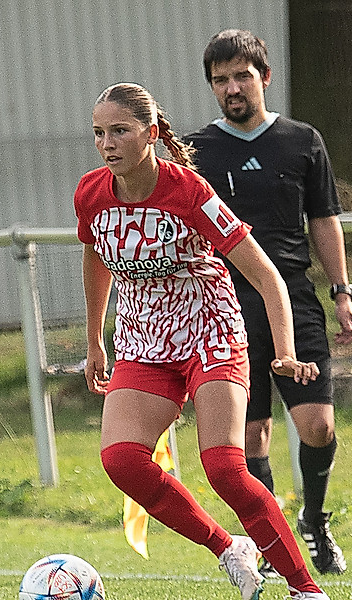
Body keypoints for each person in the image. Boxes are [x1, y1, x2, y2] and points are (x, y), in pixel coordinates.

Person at [77, 82, 332, 600]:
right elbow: (95, 257)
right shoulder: (91, 192)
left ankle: (305, 589)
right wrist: (95, 340)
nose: (107, 143)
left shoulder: (189, 191)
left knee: (225, 470)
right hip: (143, 340)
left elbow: (267, 277)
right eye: (99, 133)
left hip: (209, 335)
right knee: (122, 461)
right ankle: (229, 548)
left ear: (151, 133)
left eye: (120, 131)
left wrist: (285, 351)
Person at [184, 29, 352, 577]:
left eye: (242, 76)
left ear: (264, 76)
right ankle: (270, 540)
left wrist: (342, 291)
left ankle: (315, 519)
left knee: (318, 426)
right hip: (223, 306)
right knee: (250, 435)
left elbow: (323, 219)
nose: (232, 88)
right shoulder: (194, 151)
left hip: (294, 298)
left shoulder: (302, 140)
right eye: (221, 80)